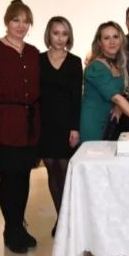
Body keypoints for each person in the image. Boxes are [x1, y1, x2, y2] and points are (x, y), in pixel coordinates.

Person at [0, 0, 41, 255]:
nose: (21, 25)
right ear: (7, 21)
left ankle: (19, 226)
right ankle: (10, 228)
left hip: (29, 124)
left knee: (24, 176)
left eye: (26, 21)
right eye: (16, 20)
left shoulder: (34, 52)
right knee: (9, 177)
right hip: (3, 123)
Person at [38, 16, 83, 232]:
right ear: (49, 34)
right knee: (50, 170)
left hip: (66, 124)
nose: (60, 38)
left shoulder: (74, 61)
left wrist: (75, 127)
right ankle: (60, 217)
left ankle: (67, 218)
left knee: (64, 170)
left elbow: (76, 97)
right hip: (45, 123)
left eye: (64, 34)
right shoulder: (38, 59)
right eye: (56, 33)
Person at [79, 21, 129, 142]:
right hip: (94, 123)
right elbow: (116, 97)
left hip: (110, 123)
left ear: (121, 39)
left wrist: (118, 107)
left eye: (115, 37)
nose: (112, 42)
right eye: (106, 38)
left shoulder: (118, 65)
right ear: (99, 43)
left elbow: (121, 93)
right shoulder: (96, 67)